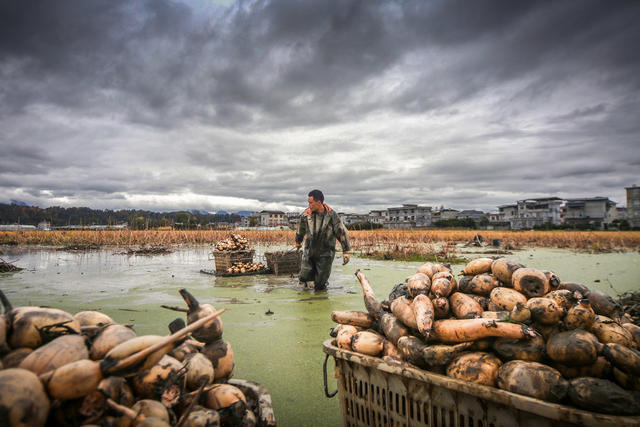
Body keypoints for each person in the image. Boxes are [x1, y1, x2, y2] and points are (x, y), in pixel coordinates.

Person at [295, 189, 351, 290]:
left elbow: (341, 232)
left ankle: (320, 296)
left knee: (320, 283)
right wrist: (298, 241)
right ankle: (306, 299)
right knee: (304, 276)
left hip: (325, 252)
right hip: (309, 251)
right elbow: (300, 229)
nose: (309, 205)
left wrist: (346, 251)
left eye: (311, 202)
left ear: (319, 202)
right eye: (308, 202)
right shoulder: (305, 215)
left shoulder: (332, 215)